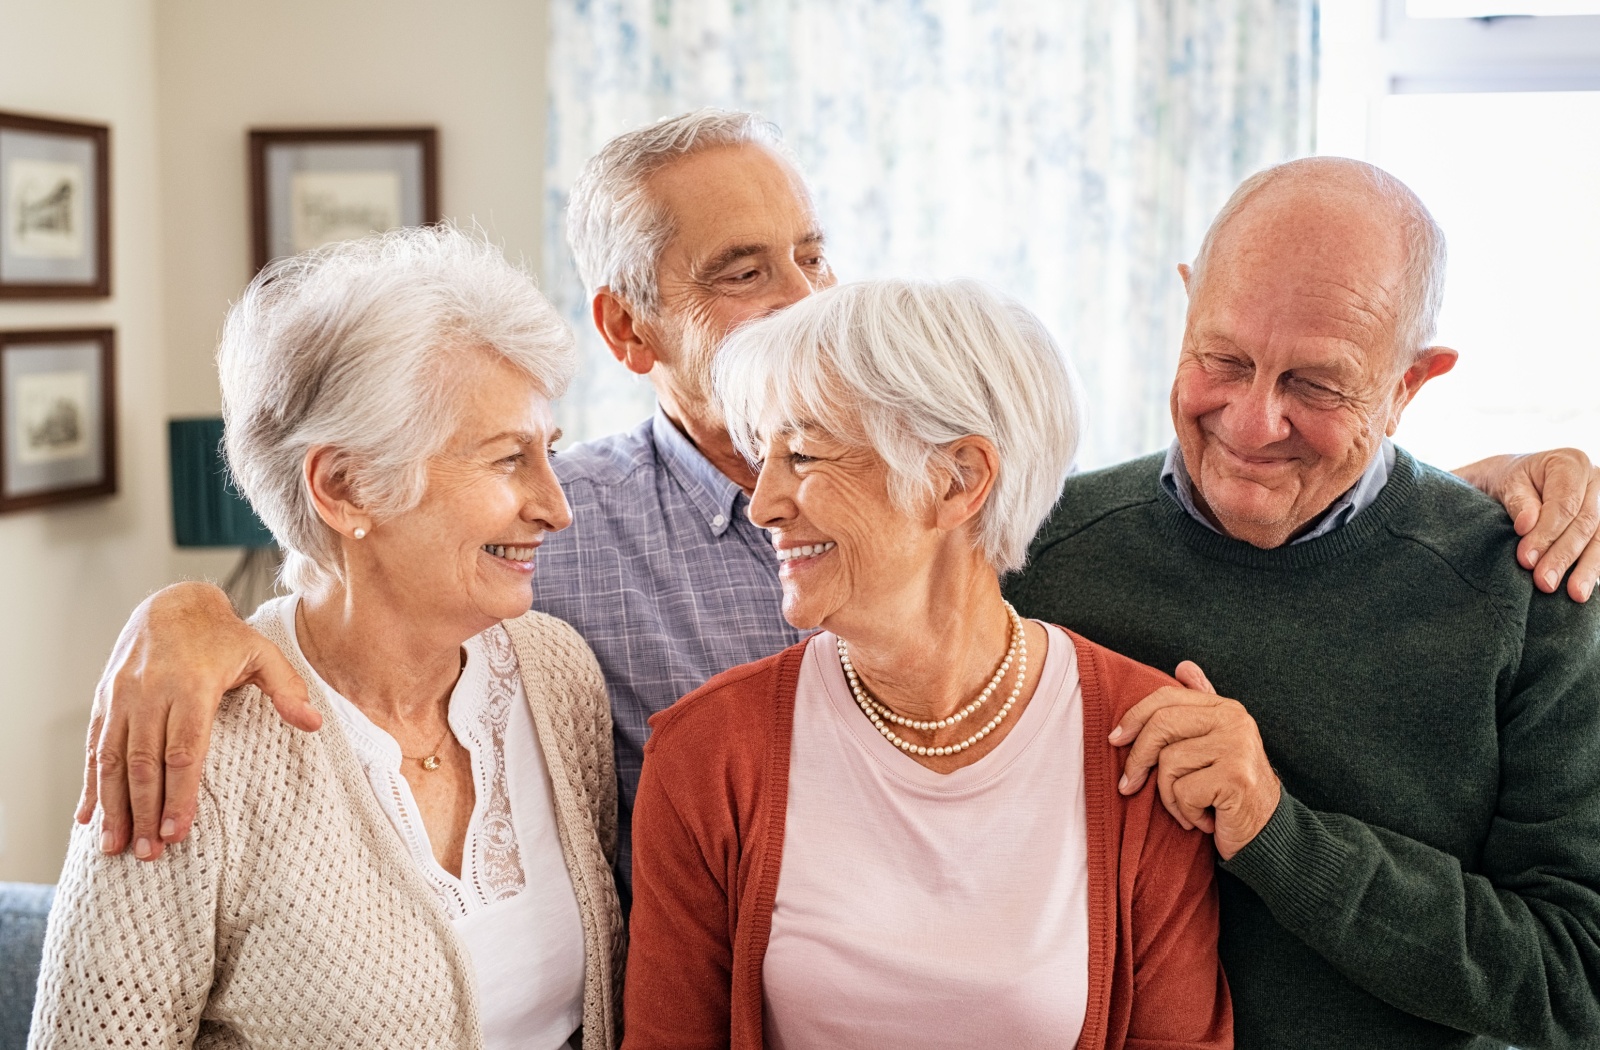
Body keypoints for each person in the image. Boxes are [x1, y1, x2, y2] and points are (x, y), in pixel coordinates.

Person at [77, 111, 1600, 904]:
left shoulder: (1010, 532)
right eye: (744, 273)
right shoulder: (551, 539)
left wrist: (1484, 489)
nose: (808, 295)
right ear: (628, 331)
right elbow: (348, 599)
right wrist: (184, 614)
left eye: (813, 252)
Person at [1004, 158, 1600, 1048]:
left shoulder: (1532, 592)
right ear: (1184, 306)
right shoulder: (1035, 554)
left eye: (1315, 386)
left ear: (1409, 386)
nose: (1251, 424)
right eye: (1224, 359)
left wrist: (1277, 833)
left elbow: (1574, 983)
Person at [30, 227, 623, 1050]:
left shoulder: (555, 673)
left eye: (547, 453)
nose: (556, 506)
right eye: (507, 460)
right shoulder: (196, 739)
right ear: (346, 488)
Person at [625, 278, 1230, 1049]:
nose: (763, 502)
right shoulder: (708, 753)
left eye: (803, 453)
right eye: (763, 456)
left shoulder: (1141, 742)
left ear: (959, 480)